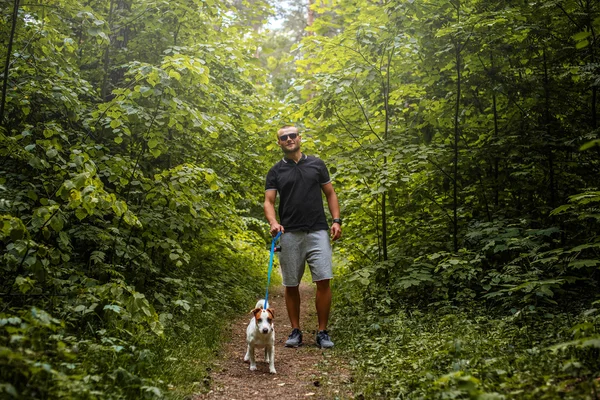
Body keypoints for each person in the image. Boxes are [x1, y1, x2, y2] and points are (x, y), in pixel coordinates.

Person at [264, 125, 342, 349]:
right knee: (291, 284)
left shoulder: (316, 164)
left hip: (318, 230)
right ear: (279, 142)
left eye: (292, 136)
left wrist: (336, 221)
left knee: (323, 280)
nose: (289, 139)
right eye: (283, 137)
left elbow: (330, 193)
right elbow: (269, 201)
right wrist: (273, 223)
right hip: (289, 233)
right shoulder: (276, 171)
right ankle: (295, 331)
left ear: (300, 138)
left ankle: (322, 332)